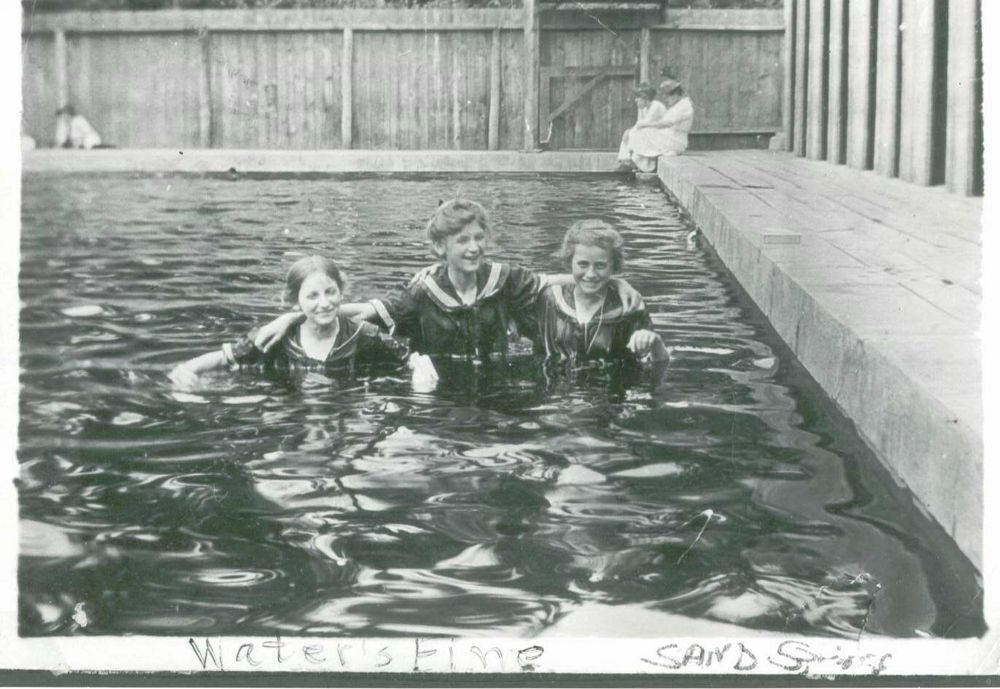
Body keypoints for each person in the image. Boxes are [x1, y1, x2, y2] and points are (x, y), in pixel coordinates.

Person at [255, 199, 644, 364]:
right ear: (441, 247)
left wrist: (613, 282)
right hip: (441, 386)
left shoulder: (503, 278)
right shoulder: (424, 290)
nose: (474, 248)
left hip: (497, 385)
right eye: (462, 241)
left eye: (479, 238)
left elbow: (552, 282)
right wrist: (292, 318)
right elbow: (370, 310)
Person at [168, 255, 437, 388]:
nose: (324, 303)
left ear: (341, 291)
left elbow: (408, 357)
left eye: (331, 292)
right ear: (295, 301)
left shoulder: (363, 335)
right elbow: (225, 357)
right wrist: (186, 371)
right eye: (312, 296)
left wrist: (421, 370)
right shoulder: (279, 337)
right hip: (293, 416)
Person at [534, 219, 669, 365]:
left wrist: (655, 342)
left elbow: (658, 363)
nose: (591, 274)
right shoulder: (549, 300)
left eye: (600, 266)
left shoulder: (628, 308)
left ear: (613, 266)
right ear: (569, 262)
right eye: (583, 264)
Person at [616, 76, 694, 174]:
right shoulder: (677, 106)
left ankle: (640, 164)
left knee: (643, 132)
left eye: (668, 96)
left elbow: (667, 123)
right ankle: (632, 162)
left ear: (676, 94)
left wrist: (646, 125)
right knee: (639, 132)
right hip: (670, 136)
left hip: (676, 140)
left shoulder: (683, 106)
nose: (666, 100)